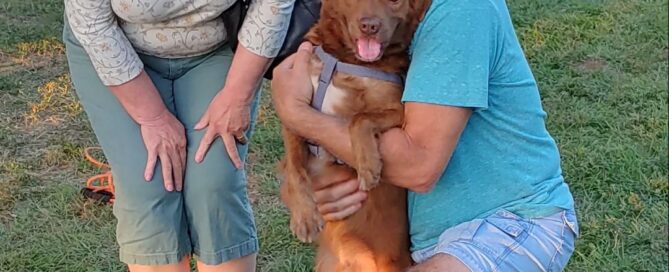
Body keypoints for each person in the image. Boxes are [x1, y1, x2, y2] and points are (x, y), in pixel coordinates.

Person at [271, 0, 579, 271]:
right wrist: (309, 188)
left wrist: (298, 113)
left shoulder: (461, 9)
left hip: (507, 222)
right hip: (419, 243)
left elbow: (418, 166)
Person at [63, 0, 294, 271]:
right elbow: (92, 23)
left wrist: (237, 95)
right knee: (147, 181)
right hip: (113, 41)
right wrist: (154, 118)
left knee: (213, 181)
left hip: (217, 47)